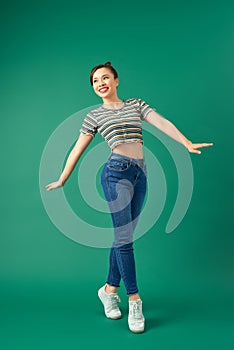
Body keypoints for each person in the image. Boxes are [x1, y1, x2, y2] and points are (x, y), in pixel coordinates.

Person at [45, 61, 213, 333]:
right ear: (93, 88)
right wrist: (63, 178)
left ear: (116, 80)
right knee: (124, 238)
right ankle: (134, 299)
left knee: (124, 236)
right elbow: (77, 149)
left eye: (105, 78)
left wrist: (185, 142)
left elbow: (161, 122)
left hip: (140, 175)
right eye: (96, 81)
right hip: (115, 174)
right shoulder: (94, 117)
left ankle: (109, 289)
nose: (101, 83)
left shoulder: (135, 104)